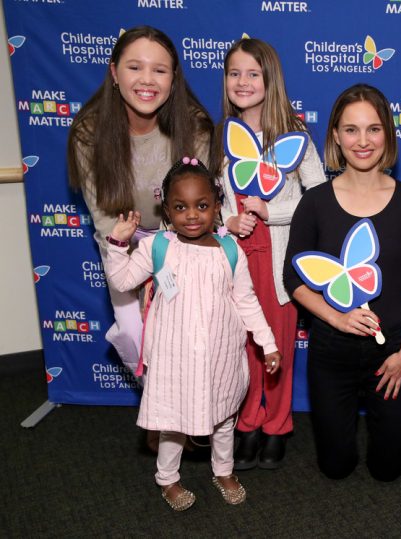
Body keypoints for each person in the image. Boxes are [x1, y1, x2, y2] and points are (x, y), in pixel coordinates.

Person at [67, 26, 214, 452]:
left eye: (160, 70)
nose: (147, 80)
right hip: (123, 245)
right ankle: (165, 408)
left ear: (173, 79)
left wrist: (169, 259)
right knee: (135, 334)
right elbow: (102, 218)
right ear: (114, 72)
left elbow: (199, 210)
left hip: (181, 244)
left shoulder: (195, 128)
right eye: (135, 67)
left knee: (185, 334)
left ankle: (187, 415)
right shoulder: (88, 133)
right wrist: (136, 261)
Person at [105, 159, 281, 511]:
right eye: (180, 207)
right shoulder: (157, 247)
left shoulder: (230, 250)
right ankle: (167, 479)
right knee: (173, 423)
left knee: (223, 418)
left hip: (221, 356)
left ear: (217, 207)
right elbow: (123, 281)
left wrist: (268, 343)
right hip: (174, 359)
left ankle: (224, 470)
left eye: (202, 205)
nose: (191, 215)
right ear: (166, 209)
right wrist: (116, 243)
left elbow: (246, 301)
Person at [283, 84, 401, 481]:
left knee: (388, 471)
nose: (362, 141)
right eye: (351, 130)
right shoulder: (314, 201)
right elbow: (293, 279)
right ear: (335, 135)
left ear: (388, 133)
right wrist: (336, 318)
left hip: (393, 353)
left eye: (373, 129)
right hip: (332, 352)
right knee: (335, 468)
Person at [215, 38, 327, 470]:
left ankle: (278, 427)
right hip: (236, 260)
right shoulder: (220, 136)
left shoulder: (293, 133)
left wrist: (271, 210)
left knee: (277, 348)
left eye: (252, 73)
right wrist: (228, 220)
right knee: (242, 347)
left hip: (277, 261)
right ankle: (247, 423)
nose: (242, 82)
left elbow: (320, 199)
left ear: (270, 79)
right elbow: (212, 199)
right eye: (234, 73)